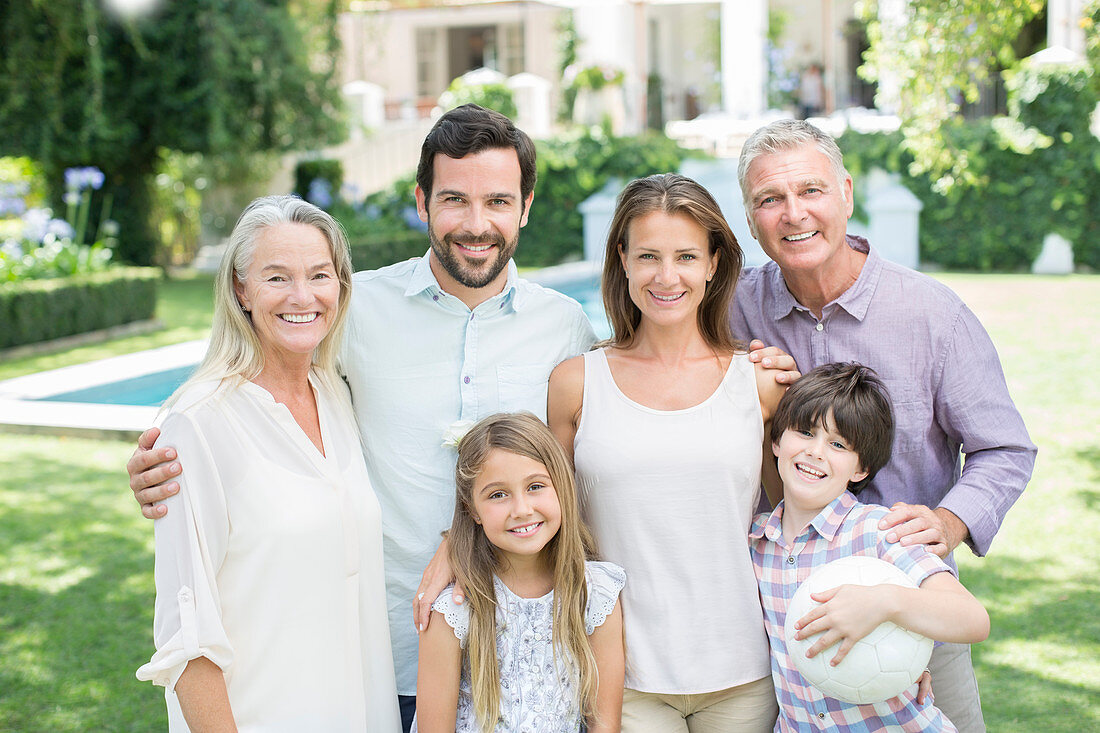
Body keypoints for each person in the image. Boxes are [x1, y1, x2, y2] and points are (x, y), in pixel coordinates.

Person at [128, 106, 798, 731]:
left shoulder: (563, 331)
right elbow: (257, 390)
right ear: (423, 201)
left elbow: (599, 460)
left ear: (525, 208)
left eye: (498, 201)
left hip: (532, 664)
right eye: (455, 199)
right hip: (383, 648)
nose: (476, 222)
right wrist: (167, 454)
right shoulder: (352, 315)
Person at [732, 118, 1036, 731]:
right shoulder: (732, 309)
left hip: (914, 610)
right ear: (750, 216)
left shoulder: (932, 314)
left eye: (810, 191)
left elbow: (1004, 448)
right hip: (782, 614)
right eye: (770, 199)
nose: (793, 213)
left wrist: (948, 523)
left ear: (845, 192)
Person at [135, 195, 401, 731]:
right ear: (241, 289)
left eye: (319, 275)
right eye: (276, 277)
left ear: (340, 285)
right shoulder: (196, 423)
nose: (303, 296)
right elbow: (189, 639)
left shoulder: (334, 394)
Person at [549, 173, 787, 732]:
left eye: (685, 256)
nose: (667, 276)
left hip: (743, 674)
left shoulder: (758, 384)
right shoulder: (576, 384)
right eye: (649, 256)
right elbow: (554, 531)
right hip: (622, 678)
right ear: (623, 260)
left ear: (713, 263)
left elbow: (796, 529)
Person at [751, 362, 990, 731]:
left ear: (860, 468)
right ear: (776, 441)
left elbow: (973, 619)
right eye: (804, 432)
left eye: (838, 444)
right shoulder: (758, 545)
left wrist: (885, 602)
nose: (816, 452)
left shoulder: (878, 531)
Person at [414, 412, 625, 733]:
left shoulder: (596, 593)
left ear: (562, 487)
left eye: (536, 486)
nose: (522, 509)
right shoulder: (453, 611)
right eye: (498, 494)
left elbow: (605, 723)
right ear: (472, 509)